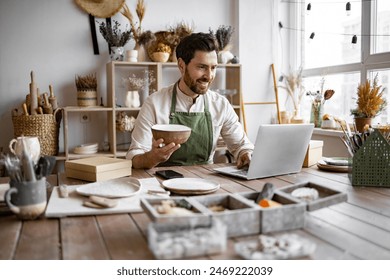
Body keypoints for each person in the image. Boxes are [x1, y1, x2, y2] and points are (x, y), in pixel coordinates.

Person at [126, 32, 253, 169]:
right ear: (181, 65)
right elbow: (134, 156)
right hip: (164, 183)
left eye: (213, 67)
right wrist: (151, 158)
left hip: (206, 181)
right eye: (201, 67)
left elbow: (241, 145)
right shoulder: (155, 104)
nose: (209, 76)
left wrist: (245, 154)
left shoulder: (220, 104)